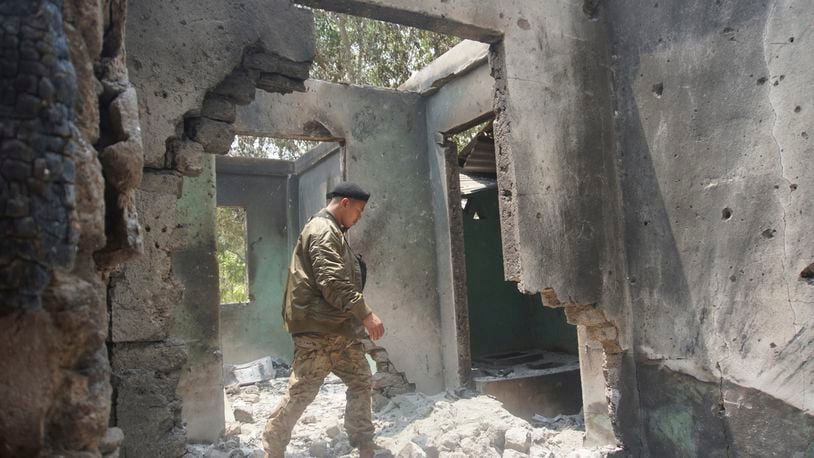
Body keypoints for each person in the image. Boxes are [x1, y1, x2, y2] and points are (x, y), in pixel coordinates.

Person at [262, 182, 385, 458]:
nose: (360, 217)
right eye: (359, 210)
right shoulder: (323, 230)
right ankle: (272, 447)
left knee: (361, 380)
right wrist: (366, 314)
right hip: (321, 329)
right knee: (303, 390)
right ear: (344, 203)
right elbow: (332, 281)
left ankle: (365, 443)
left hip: (337, 328)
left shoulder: (333, 231)